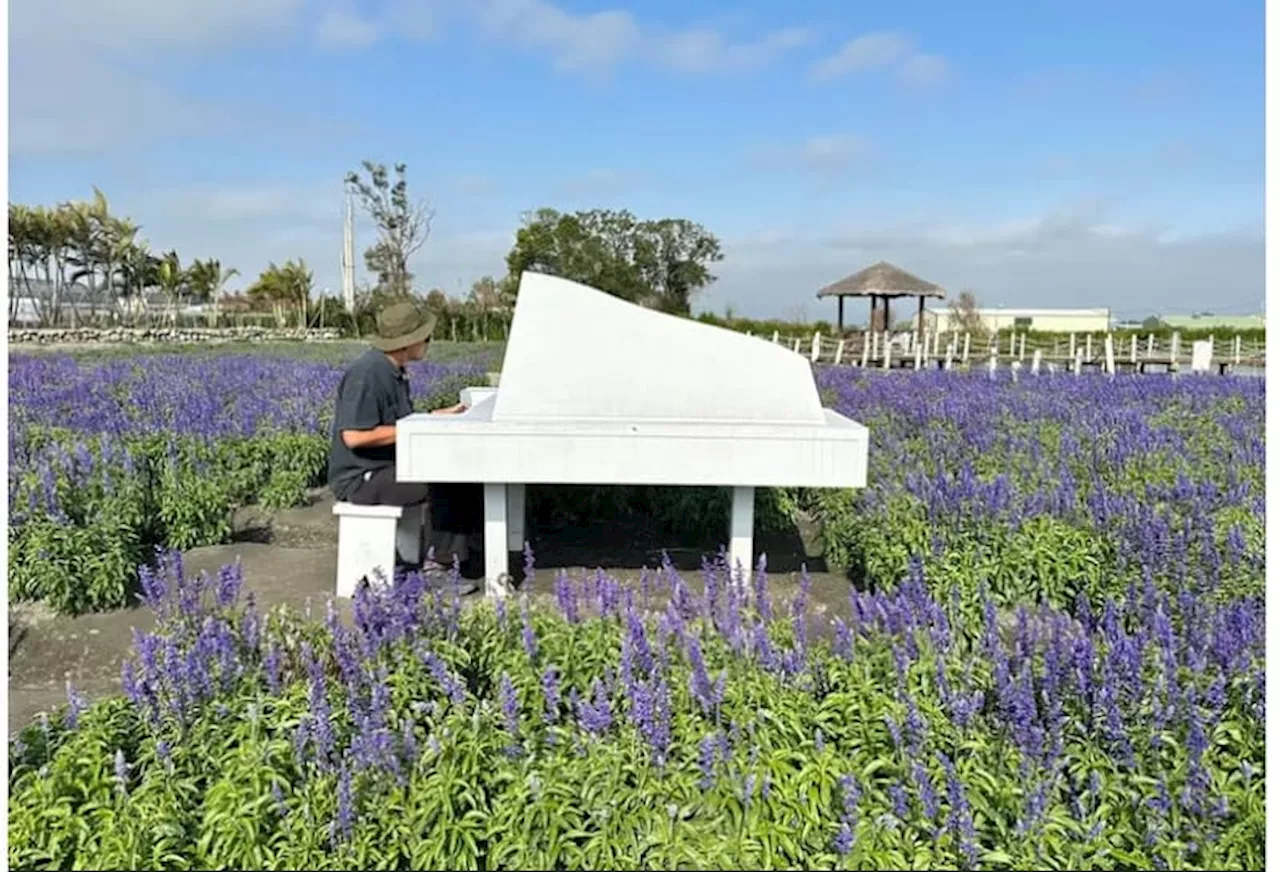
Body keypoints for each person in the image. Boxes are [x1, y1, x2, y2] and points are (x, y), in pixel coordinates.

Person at [326, 299, 480, 591]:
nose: (428, 342)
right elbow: (354, 436)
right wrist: (412, 428)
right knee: (448, 481)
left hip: (384, 466)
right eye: (426, 336)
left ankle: (454, 557)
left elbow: (402, 422)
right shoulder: (368, 373)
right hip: (360, 478)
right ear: (408, 341)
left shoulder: (392, 371)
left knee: (461, 473)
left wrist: (435, 417)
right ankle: (439, 567)